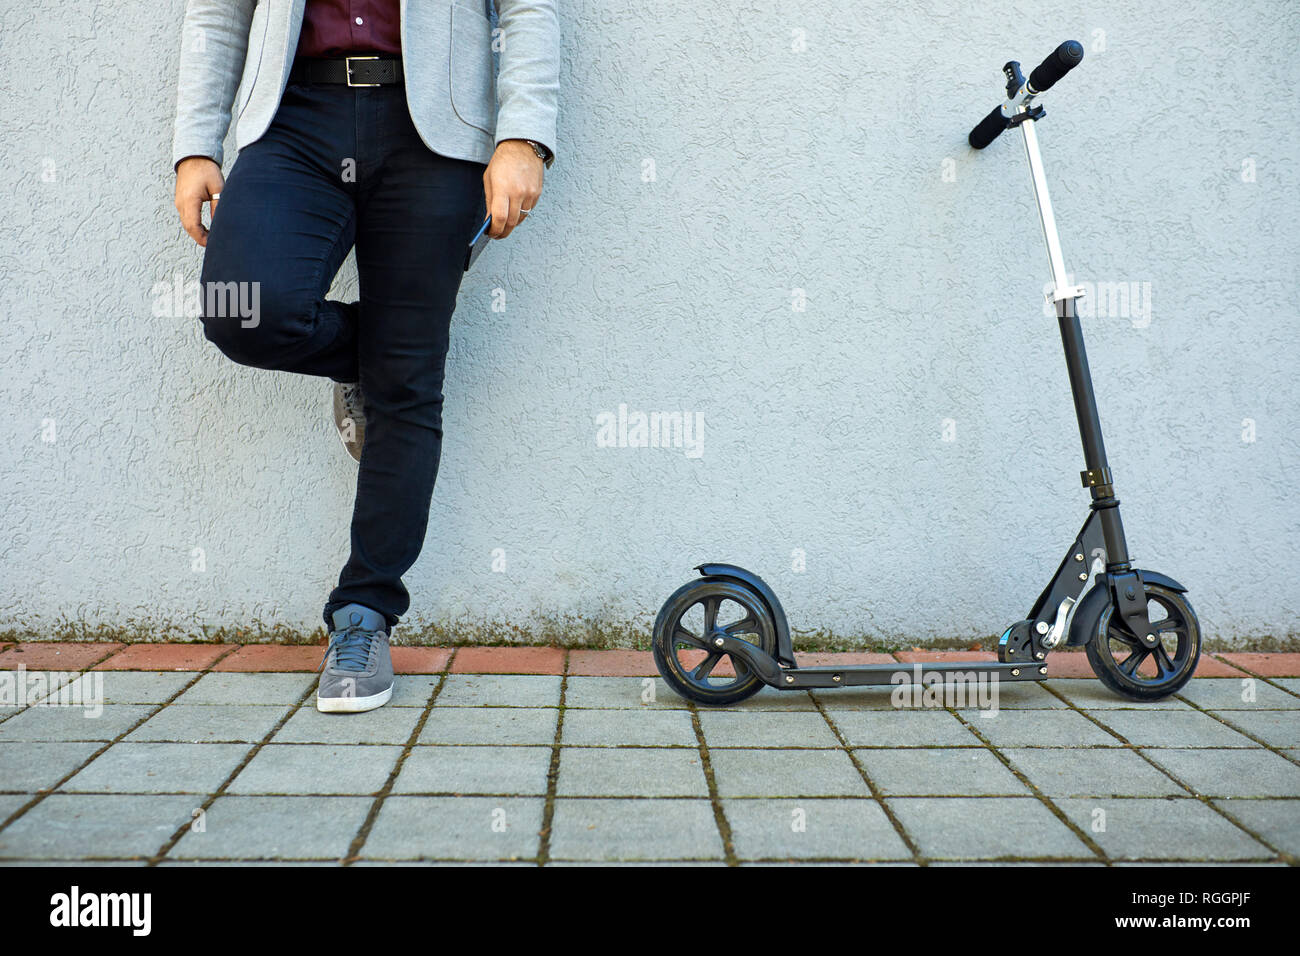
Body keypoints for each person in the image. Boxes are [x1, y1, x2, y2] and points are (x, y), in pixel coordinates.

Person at [171, 0, 559, 713]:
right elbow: (217, 13)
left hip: (434, 128)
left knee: (408, 384)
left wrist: (524, 136)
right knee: (243, 311)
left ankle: (363, 616)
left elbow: (529, 8)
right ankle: (374, 360)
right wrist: (198, 144)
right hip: (293, 119)